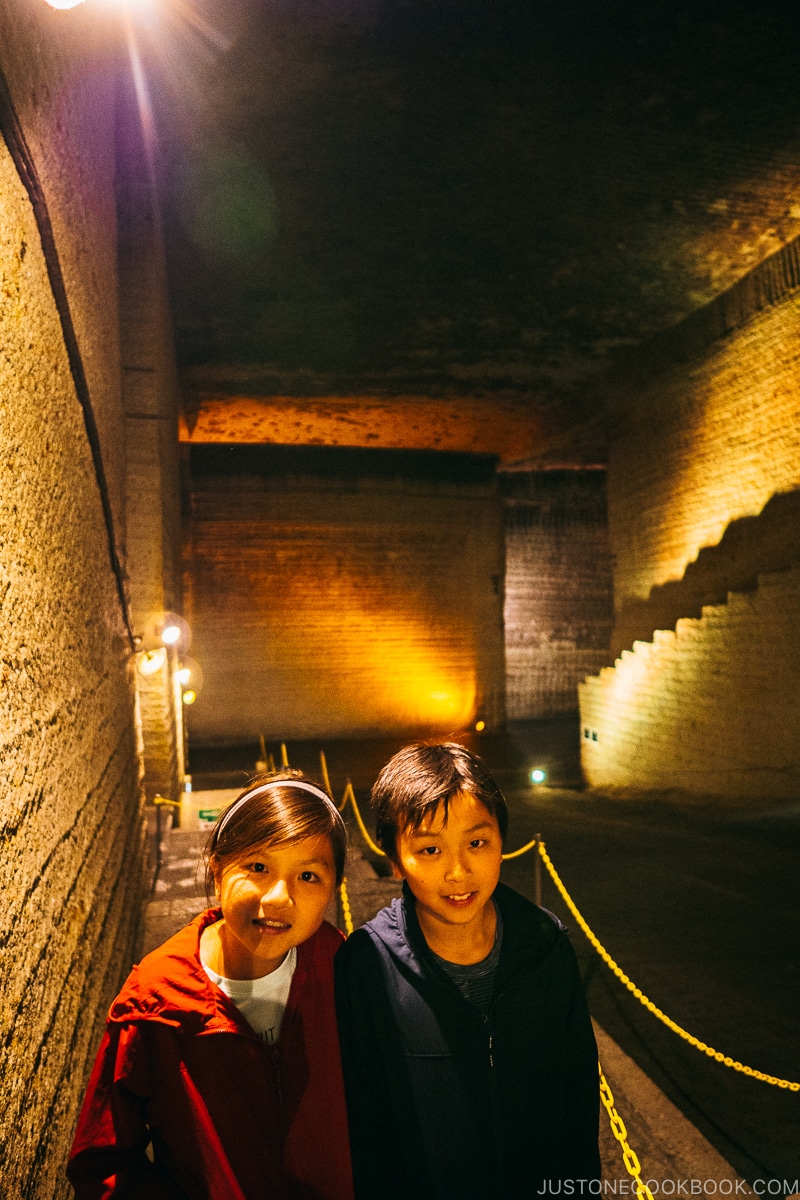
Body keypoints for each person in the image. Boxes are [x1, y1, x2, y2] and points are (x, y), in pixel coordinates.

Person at [68, 771, 354, 1200]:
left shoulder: (340, 967)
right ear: (218, 868)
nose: (278, 897)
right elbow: (105, 1166)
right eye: (258, 867)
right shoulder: (155, 1002)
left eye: (308, 876)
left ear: (333, 889)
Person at [334, 742, 601, 1200]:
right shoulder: (366, 967)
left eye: (476, 843)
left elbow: (577, 1105)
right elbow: (364, 1127)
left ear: (502, 843)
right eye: (430, 850)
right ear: (395, 858)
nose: (458, 872)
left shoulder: (546, 949)